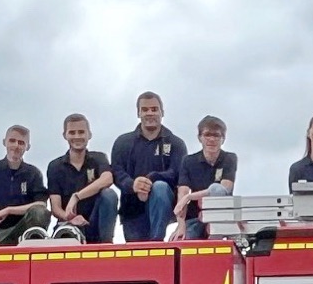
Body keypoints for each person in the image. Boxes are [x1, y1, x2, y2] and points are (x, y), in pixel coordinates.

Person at [110, 91, 185, 243]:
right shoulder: (122, 143)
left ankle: (157, 241)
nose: (150, 113)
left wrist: (150, 179)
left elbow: (178, 173)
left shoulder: (176, 144)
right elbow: (117, 172)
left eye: (154, 109)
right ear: (138, 113)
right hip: (132, 210)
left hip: (165, 210)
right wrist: (133, 185)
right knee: (138, 258)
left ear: (162, 112)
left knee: (160, 187)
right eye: (145, 110)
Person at [45, 113, 119, 244]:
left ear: (89, 134)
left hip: (95, 223)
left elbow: (107, 179)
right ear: (65, 135)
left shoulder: (98, 158)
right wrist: (70, 218)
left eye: (81, 132)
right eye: (72, 132)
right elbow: (55, 208)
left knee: (109, 194)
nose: (77, 136)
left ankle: (107, 244)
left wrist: (77, 196)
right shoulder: (55, 167)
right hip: (69, 225)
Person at [0, 124, 49, 246]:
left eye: (21, 142)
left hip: (25, 230)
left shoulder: (33, 173)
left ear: (28, 147)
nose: (16, 146)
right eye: (12, 141)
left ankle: (31, 241)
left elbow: (41, 205)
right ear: (4, 142)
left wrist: (8, 210)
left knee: (40, 212)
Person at [174, 115, 237, 239]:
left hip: (221, 217)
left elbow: (223, 189)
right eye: (207, 135)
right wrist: (181, 226)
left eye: (216, 135)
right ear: (200, 138)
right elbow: (182, 192)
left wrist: (190, 196)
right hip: (195, 217)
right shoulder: (188, 161)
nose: (212, 139)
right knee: (185, 240)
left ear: (223, 139)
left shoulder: (229, 158)